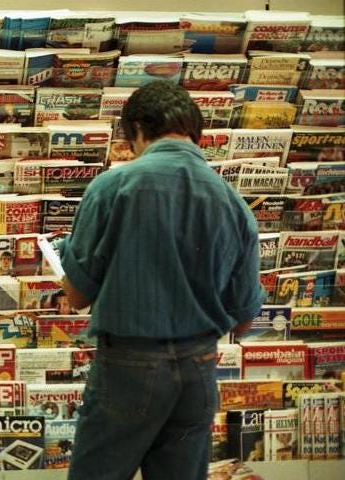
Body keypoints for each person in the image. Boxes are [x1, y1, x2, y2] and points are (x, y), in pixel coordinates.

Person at [60, 81, 265, 480]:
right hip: (199, 368)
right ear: (195, 131)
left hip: (127, 366)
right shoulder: (233, 202)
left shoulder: (112, 187)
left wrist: (65, 256)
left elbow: (78, 296)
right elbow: (244, 322)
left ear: (137, 130)